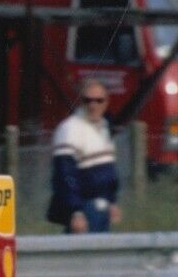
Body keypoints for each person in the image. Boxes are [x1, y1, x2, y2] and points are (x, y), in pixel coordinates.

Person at [47, 80, 122, 234]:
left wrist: (112, 202)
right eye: (88, 100)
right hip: (85, 209)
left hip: (102, 208)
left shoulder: (103, 128)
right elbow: (65, 175)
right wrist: (76, 212)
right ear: (81, 101)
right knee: (81, 256)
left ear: (106, 102)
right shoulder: (71, 129)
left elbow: (107, 173)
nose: (93, 105)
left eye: (99, 100)